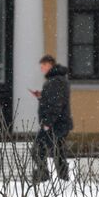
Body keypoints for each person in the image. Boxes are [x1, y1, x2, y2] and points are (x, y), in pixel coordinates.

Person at [32, 54, 73, 182]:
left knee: (38, 149)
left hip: (55, 124)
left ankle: (43, 177)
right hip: (60, 123)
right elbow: (53, 101)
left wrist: (47, 123)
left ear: (50, 64)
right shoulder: (57, 80)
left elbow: (56, 105)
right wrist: (42, 97)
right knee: (58, 152)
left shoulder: (55, 81)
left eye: (43, 65)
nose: (42, 69)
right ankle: (63, 178)